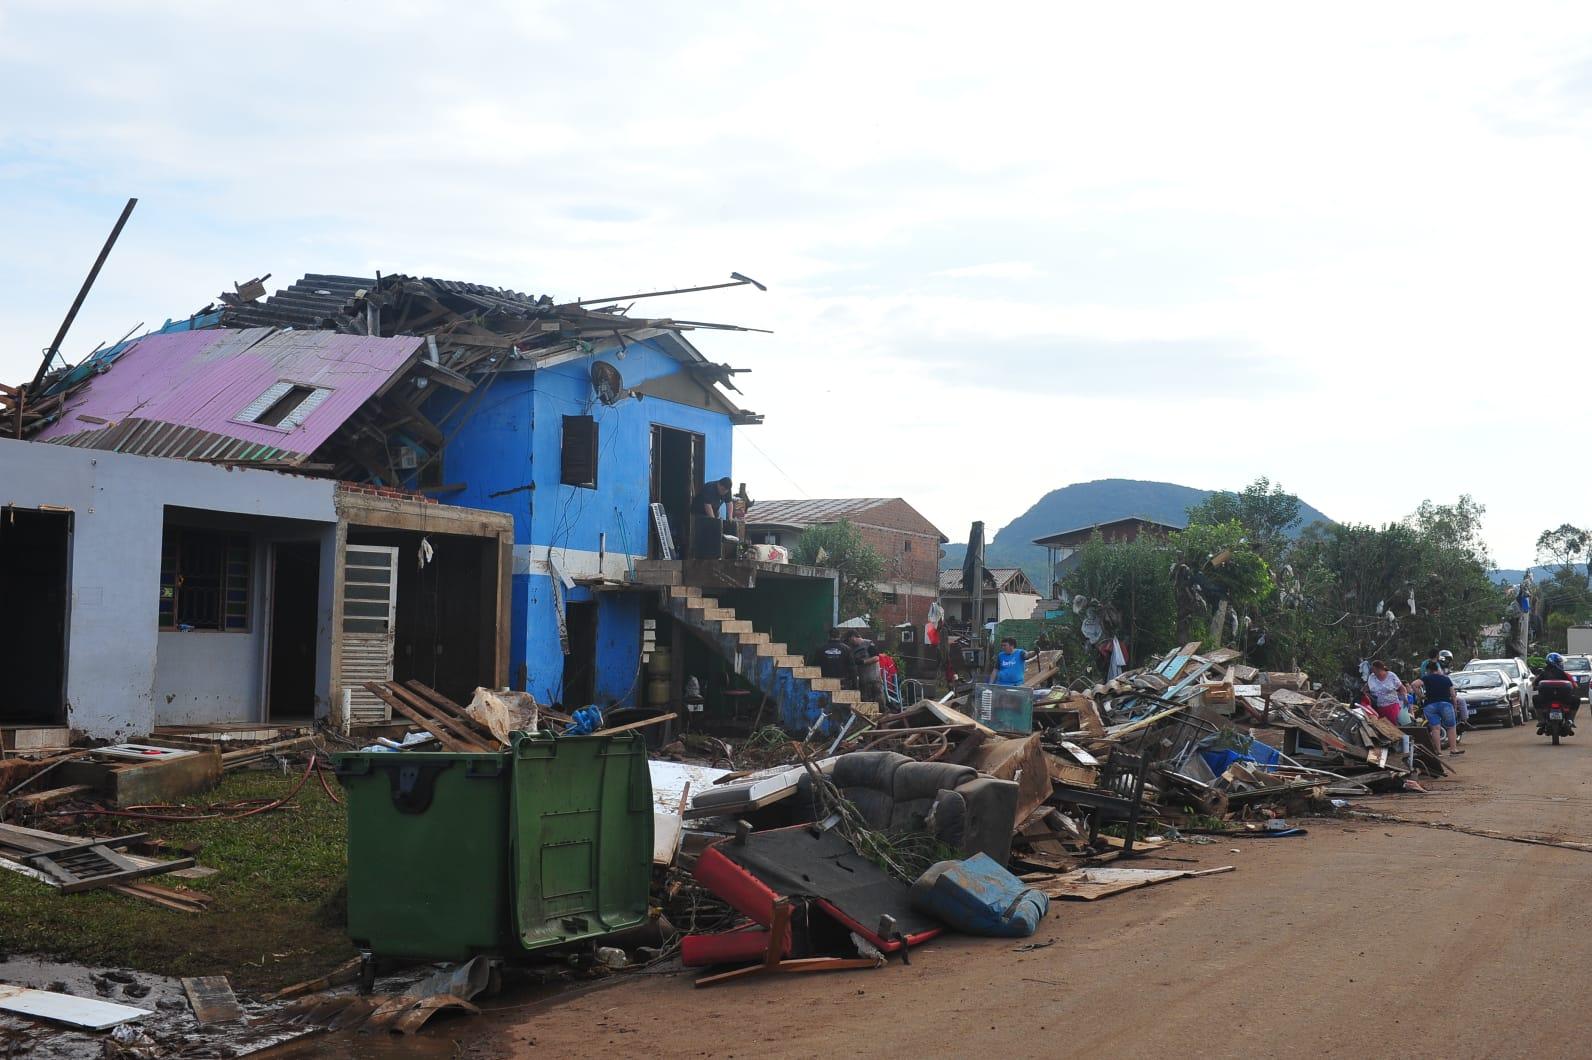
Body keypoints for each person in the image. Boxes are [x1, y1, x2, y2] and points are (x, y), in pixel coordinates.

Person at [1414, 663, 1464, 756]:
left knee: (1435, 728)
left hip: (1430, 705)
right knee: (1451, 727)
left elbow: (1414, 684)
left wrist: (1421, 696)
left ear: (1428, 670)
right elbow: (1453, 694)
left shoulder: (1426, 678)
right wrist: (1455, 706)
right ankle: (1453, 750)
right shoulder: (1446, 679)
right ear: (1437, 669)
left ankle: (1438, 752)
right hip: (1446, 704)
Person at [1536, 651, 1580, 734]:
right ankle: (1570, 720)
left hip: (1546, 700)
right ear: (1555, 663)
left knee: (1535, 698)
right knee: (1577, 700)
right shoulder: (1565, 674)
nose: (1561, 664)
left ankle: (1541, 720)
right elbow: (1575, 685)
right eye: (1559, 662)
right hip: (1564, 700)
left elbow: (1534, 684)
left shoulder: (1542, 674)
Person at [1366, 659, 1409, 725]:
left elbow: (1402, 688)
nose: (1372, 671)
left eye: (1373, 669)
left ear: (1379, 669)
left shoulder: (1391, 676)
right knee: (1382, 727)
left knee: (1392, 726)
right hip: (1378, 707)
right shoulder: (1372, 677)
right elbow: (1366, 689)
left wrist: (1405, 698)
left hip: (1392, 706)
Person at [846, 630, 883, 704]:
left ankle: (883, 714)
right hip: (863, 681)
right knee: (866, 704)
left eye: (849, 640)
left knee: (879, 702)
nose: (850, 643)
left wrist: (863, 662)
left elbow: (876, 658)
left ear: (853, 637)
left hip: (874, 678)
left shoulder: (868, 643)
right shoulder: (852, 649)